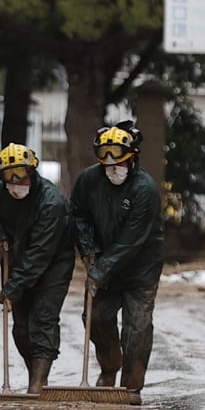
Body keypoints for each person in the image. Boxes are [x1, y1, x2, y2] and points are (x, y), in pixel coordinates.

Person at [69, 120, 164, 392]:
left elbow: (130, 242)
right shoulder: (89, 180)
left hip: (139, 269)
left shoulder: (144, 189)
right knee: (95, 318)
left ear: (132, 157)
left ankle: (132, 386)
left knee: (137, 328)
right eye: (106, 159)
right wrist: (88, 249)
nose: (112, 166)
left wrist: (98, 273)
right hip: (103, 263)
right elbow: (78, 215)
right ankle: (110, 365)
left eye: (119, 160)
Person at [0, 144, 75, 395]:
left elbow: (40, 254)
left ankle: (38, 383)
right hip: (20, 258)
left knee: (43, 319)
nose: (16, 182)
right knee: (21, 326)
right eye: (9, 176)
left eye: (21, 174)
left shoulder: (52, 203)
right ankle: (34, 375)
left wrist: (13, 287)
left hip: (53, 263)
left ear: (33, 172)